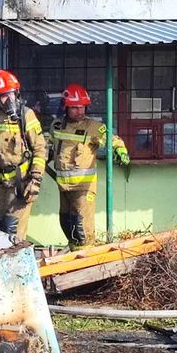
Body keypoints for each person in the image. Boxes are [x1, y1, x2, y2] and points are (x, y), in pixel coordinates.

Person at [49, 83, 129, 248]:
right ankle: (74, 257)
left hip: (83, 188)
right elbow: (48, 145)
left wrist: (121, 150)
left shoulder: (93, 127)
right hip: (63, 187)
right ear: (66, 107)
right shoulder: (56, 126)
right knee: (67, 223)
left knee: (82, 228)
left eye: (83, 107)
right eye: (76, 108)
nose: (81, 112)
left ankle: (85, 261)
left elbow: (112, 139)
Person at [0, 70, 46, 239]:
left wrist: (35, 180)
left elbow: (40, 149)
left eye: (11, 94)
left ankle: (18, 264)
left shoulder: (25, 115)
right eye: (3, 96)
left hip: (19, 184)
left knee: (13, 232)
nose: (9, 99)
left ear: (17, 92)